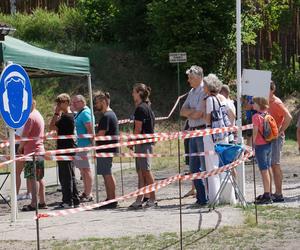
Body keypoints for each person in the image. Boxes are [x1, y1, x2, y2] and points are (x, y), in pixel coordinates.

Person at [203, 74, 235, 204]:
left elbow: (208, 119)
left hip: (211, 135)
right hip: (224, 135)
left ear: (208, 86)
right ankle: (228, 197)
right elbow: (232, 114)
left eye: (204, 85)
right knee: (224, 166)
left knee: (212, 167)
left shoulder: (209, 99)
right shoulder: (222, 97)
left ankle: (214, 198)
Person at [180, 65, 208, 206]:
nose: (189, 80)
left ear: (198, 77)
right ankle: (201, 198)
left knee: (204, 166)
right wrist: (192, 112)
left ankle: (207, 197)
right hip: (192, 131)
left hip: (202, 132)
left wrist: (190, 112)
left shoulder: (205, 90)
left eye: (191, 78)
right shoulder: (191, 91)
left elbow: (199, 114)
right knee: (193, 168)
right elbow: (182, 111)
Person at [49, 93, 80, 209]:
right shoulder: (69, 116)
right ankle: (75, 199)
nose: (58, 105)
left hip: (65, 149)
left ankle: (67, 201)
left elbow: (51, 126)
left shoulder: (66, 117)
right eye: (57, 103)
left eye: (60, 102)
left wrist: (56, 113)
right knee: (71, 175)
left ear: (67, 102)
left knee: (65, 176)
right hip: (69, 147)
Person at [129, 83, 157, 208]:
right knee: (141, 172)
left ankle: (153, 198)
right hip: (144, 143)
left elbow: (138, 128)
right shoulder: (146, 107)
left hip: (143, 143)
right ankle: (139, 199)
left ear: (139, 93)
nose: (132, 94)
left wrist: (132, 142)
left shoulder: (141, 108)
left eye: (134, 92)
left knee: (146, 170)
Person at [19, 100, 47, 211]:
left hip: (32, 152)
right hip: (39, 150)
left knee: (33, 178)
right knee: (39, 178)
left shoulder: (30, 117)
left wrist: (20, 147)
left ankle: (34, 203)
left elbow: (25, 135)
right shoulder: (38, 115)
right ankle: (42, 202)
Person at [94, 91, 119, 209]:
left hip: (105, 149)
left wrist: (92, 137)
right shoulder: (110, 115)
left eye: (97, 102)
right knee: (107, 173)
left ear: (103, 102)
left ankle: (112, 199)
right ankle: (110, 198)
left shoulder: (106, 116)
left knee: (107, 174)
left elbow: (101, 135)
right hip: (107, 148)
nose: (95, 105)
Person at [268, 81, 292, 202]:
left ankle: (279, 193)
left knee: (275, 164)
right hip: (268, 138)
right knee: (269, 165)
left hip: (276, 138)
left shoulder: (277, 103)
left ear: (272, 90)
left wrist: (279, 131)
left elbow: (288, 117)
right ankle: (270, 193)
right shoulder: (264, 101)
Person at [72, 95, 94, 202]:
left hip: (85, 145)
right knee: (83, 170)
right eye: (73, 103)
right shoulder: (80, 113)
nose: (74, 104)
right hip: (80, 145)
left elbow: (90, 130)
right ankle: (86, 191)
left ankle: (89, 193)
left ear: (82, 102)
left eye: (76, 102)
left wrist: (90, 145)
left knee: (86, 170)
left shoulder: (85, 113)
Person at [252, 97, 272, 204]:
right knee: (267, 169)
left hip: (260, 145)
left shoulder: (256, 116)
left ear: (259, 104)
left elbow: (255, 131)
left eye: (254, 103)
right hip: (269, 144)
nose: (252, 104)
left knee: (263, 171)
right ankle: (267, 193)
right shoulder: (267, 114)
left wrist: (252, 144)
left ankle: (267, 195)